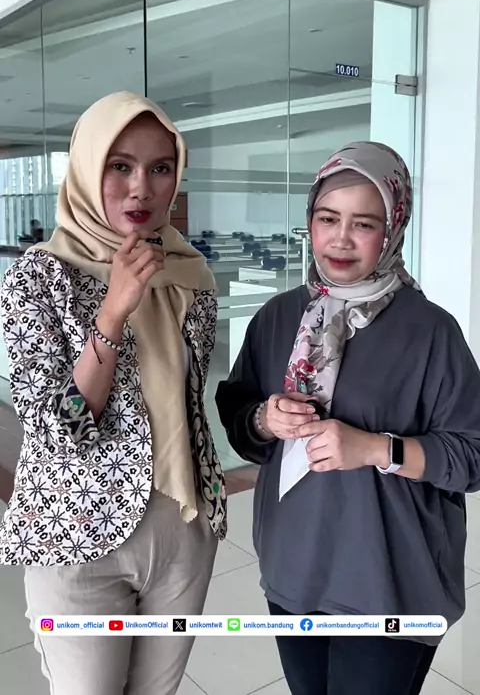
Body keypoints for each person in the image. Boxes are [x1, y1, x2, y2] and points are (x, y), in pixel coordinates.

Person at [216, 141, 480, 695]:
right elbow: (238, 413)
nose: (340, 238)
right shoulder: (278, 317)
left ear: (393, 228)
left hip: (389, 581)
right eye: (327, 218)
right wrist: (265, 419)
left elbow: (473, 455)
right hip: (294, 569)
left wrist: (377, 448)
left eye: (363, 223)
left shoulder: (430, 331)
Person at [0, 91, 226, 695]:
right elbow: (59, 431)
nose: (141, 189)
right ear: (86, 167)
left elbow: (189, 405)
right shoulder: (37, 277)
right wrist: (113, 312)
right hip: (76, 534)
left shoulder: (191, 275)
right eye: (119, 166)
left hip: (180, 528)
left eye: (160, 168)